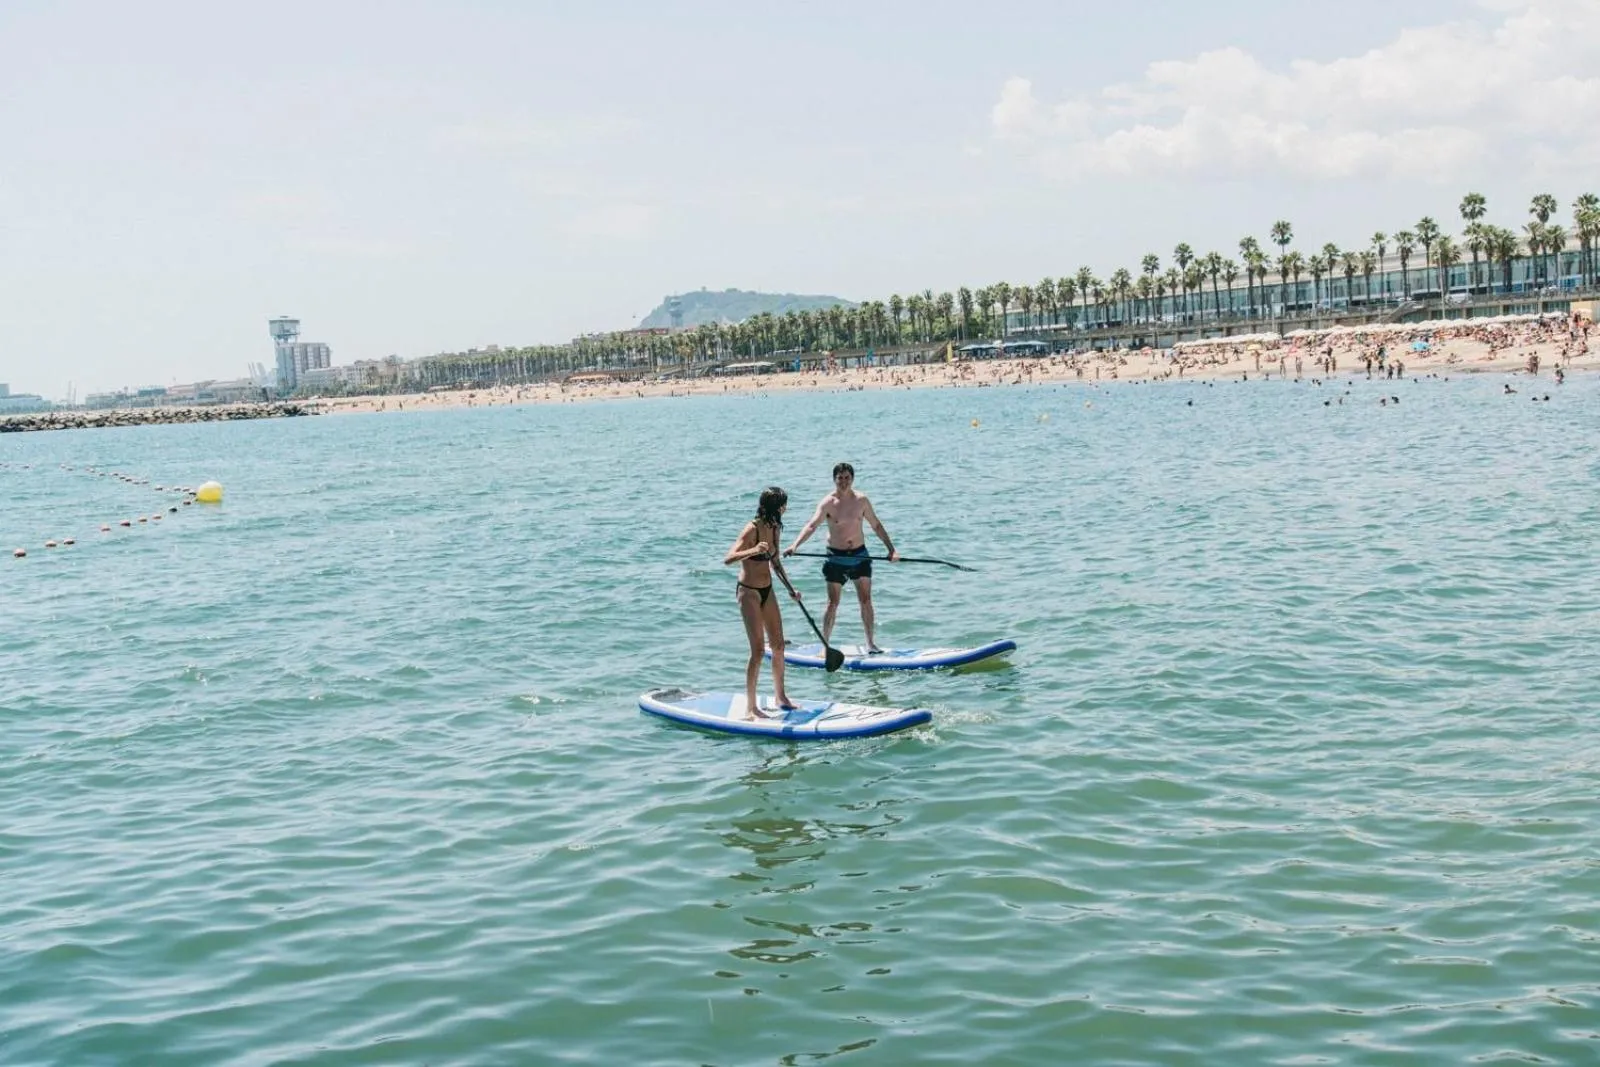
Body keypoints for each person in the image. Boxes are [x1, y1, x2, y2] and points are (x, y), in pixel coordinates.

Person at [784, 462, 899, 652]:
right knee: (832, 603)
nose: (844, 482)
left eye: (847, 478)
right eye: (840, 478)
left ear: (852, 479)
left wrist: (891, 550)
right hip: (835, 558)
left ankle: (870, 644)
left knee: (866, 600)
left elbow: (876, 525)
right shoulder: (828, 502)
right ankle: (825, 646)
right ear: (834, 479)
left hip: (860, 556)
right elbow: (812, 525)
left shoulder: (862, 500)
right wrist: (795, 546)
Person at [724, 486, 799, 717]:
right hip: (749, 593)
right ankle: (751, 706)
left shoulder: (775, 528)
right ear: (775, 507)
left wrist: (791, 589)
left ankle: (781, 697)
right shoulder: (752, 529)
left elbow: (775, 563)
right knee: (757, 651)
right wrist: (753, 549)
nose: (786, 508)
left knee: (778, 645)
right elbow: (728, 559)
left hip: (768, 590)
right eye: (783, 504)